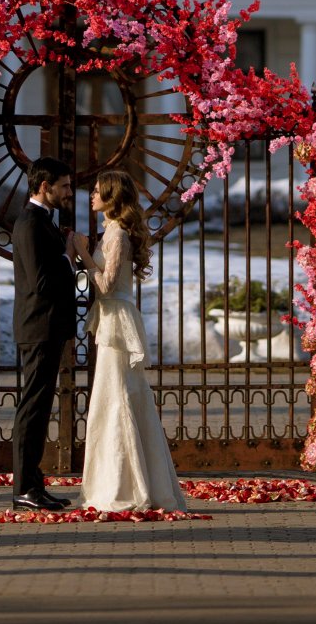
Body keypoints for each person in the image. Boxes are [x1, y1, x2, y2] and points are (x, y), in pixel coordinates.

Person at [71, 170, 186, 512]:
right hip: (110, 317)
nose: (91, 195)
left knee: (118, 398)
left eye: (97, 191)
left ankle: (128, 485)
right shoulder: (110, 230)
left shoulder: (118, 234)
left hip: (117, 320)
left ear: (112, 197)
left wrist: (83, 253)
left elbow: (105, 286)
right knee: (112, 397)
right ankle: (116, 479)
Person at [11, 155, 78, 511]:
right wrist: (68, 256)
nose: (69, 191)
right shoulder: (31, 223)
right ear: (44, 187)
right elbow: (40, 282)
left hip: (47, 328)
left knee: (39, 407)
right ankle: (23, 487)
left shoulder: (43, 220)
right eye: (64, 186)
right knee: (32, 408)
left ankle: (33, 484)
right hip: (38, 327)